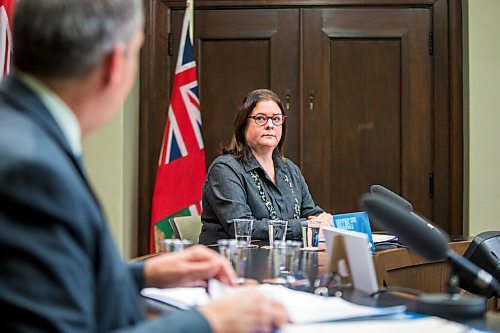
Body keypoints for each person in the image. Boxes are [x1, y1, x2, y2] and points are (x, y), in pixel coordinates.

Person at [0, 1, 289, 333]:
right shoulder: (30, 169)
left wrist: (145, 274)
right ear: (114, 64)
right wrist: (211, 321)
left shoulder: (24, 130)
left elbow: (48, 280)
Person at [199, 89, 332, 245]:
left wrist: (325, 220)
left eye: (276, 119)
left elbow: (311, 213)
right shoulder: (225, 169)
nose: (270, 125)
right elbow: (242, 227)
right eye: (260, 118)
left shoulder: (290, 169)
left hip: (283, 261)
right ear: (243, 125)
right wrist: (305, 226)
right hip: (232, 262)